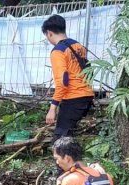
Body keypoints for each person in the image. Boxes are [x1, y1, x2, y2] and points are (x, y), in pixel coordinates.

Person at [42, 15, 94, 143]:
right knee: (67, 138)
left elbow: (63, 82)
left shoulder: (58, 51)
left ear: (49, 33)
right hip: (86, 95)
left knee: (60, 143)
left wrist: (52, 109)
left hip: (73, 98)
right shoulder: (78, 46)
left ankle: (70, 163)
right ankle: (74, 161)